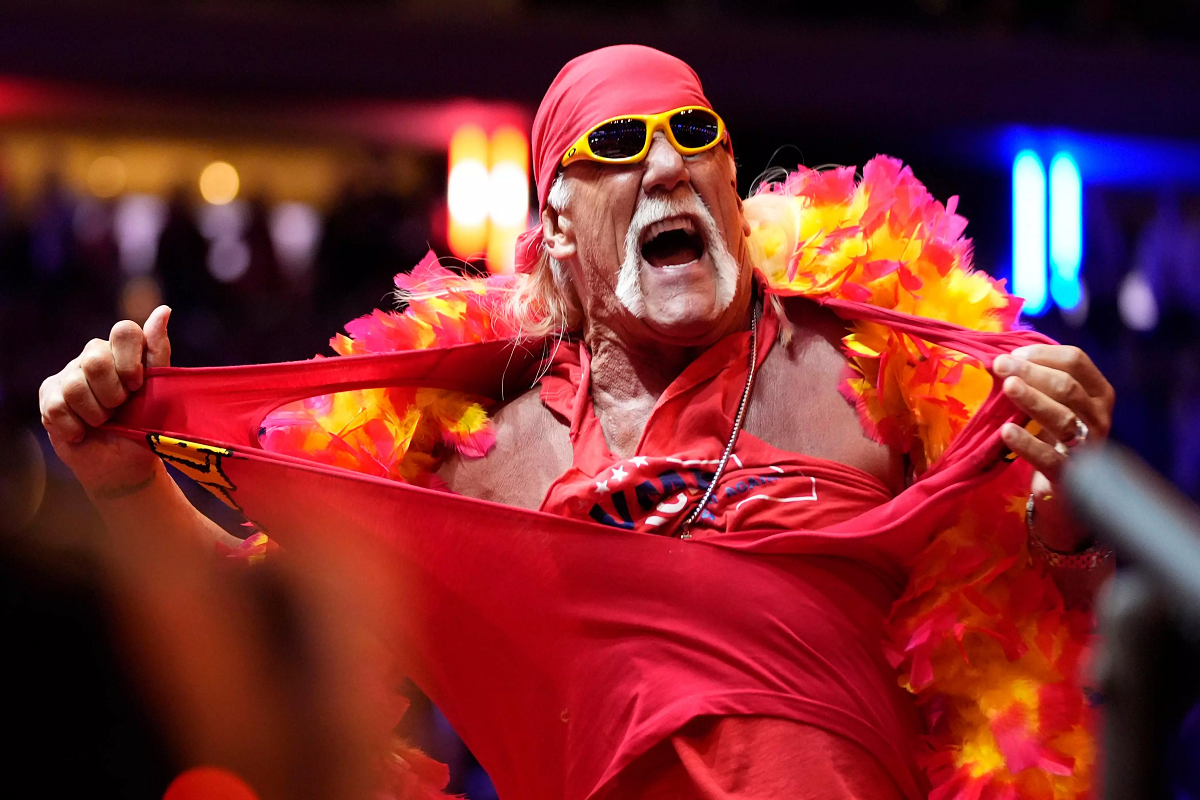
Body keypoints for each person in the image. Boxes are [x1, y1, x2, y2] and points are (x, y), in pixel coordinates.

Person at [39, 46, 1114, 800]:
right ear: (555, 228)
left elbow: (1049, 623)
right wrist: (122, 479)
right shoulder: (483, 456)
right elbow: (276, 639)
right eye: (619, 146)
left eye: (694, 135)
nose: (666, 165)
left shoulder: (866, 371)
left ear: (731, 187)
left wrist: (1073, 490)